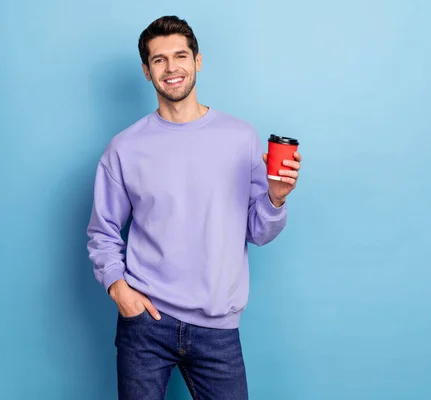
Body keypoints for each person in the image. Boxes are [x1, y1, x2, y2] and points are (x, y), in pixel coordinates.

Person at [86, 15, 302, 400]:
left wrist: (276, 197)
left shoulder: (240, 137)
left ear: (197, 61)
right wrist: (119, 289)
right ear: (146, 71)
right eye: (159, 60)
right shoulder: (124, 148)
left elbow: (257, 232)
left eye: (180, 56)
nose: (172, 68)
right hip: (146, 324)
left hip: (218, 327)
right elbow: (102, 232)